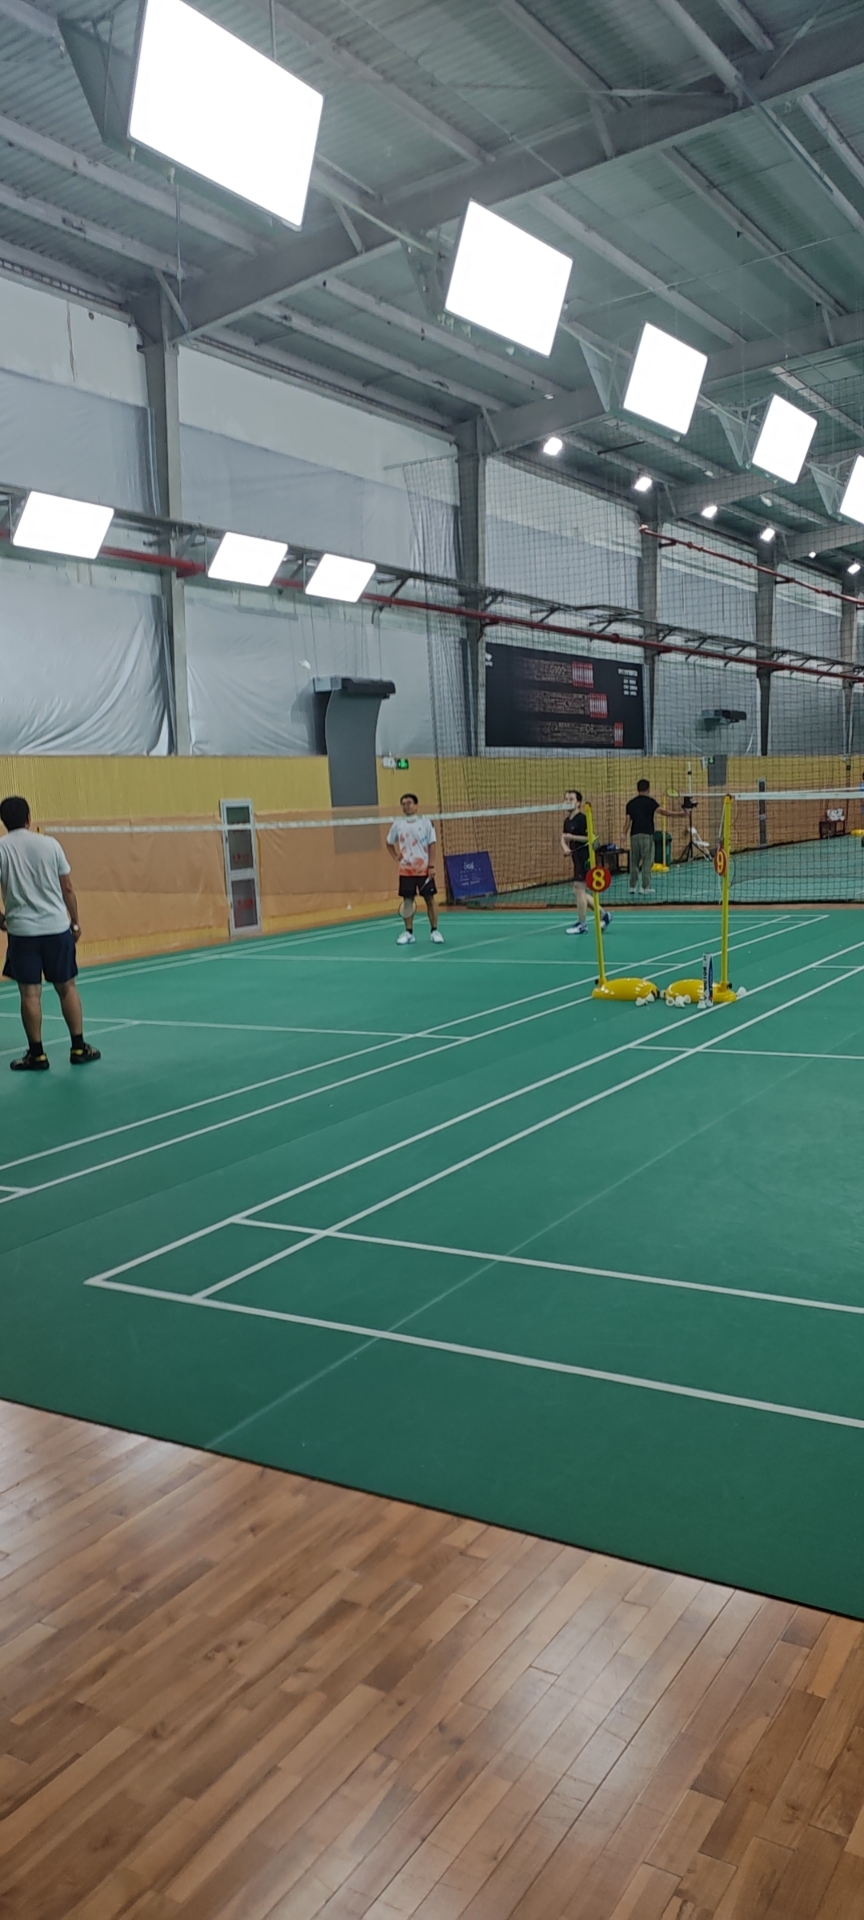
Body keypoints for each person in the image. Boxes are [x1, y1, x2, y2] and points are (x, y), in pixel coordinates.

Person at [0, 795, 100, 1071]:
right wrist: (75, 922)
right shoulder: (50, 844)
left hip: (22, 933)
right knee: (67, 987)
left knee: (29, 994)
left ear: (4, 822)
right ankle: (78, 1047)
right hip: (56, 929)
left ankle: (37, 1055)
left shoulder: (1, 849)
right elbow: (67, 887)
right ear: (28, 818)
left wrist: (1, 920)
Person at [386, 793, 444, 946]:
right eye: (403, 804)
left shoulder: (426, 822)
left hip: (424, 869)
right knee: (407, 901)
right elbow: (389, 842)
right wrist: (395, 856)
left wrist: (431, 865)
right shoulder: (398, 824)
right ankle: (409, 933)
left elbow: (432, 845)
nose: (406, 806)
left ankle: (434, 931)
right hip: (406, 870)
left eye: (409, 803)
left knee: (430, 900)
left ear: (416, 805)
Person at [561, 789, 611, 937]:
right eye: (566, 799)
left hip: (585, 858)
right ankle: (604, 915)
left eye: (571, 799)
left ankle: (582, 925)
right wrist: (565, 848)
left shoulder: (582, 819)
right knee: (579, 891)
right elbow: (563, 837)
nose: (567, 802)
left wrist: (573, 837)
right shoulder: (567, 821)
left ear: (578, 803)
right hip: (575, 858)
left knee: (579, 889)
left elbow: (591, 838)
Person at [621, 779, 680, 898]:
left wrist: (623, 834)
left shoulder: (630, 803)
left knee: (634, 861)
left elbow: (627, 822)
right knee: (647, 861)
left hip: (634, 836)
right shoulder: (650, 802)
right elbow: (663, 812)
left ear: (637, 789)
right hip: (647, 835)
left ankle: (632, 886)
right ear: (648, 789)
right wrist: (680, 814)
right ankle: (645, 887)